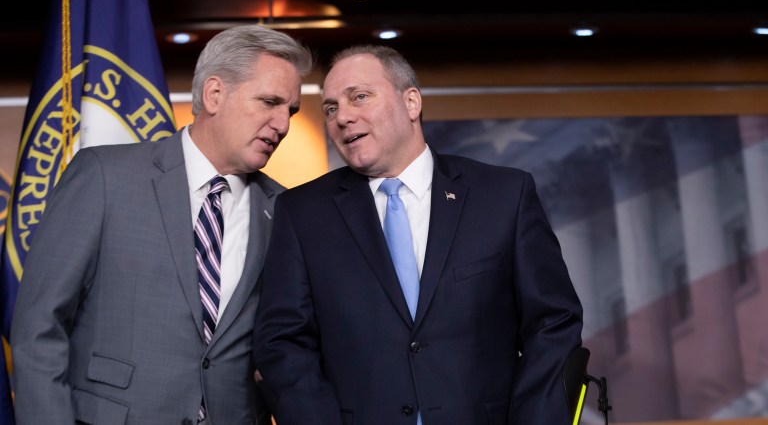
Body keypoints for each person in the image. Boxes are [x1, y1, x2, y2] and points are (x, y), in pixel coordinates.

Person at [252, 44, 584, 425]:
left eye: (359, 97)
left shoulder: (504, 196)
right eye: (330, 108)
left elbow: (553, 324)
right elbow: (282, 344)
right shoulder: (302, 213)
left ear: (411, 102)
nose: (343, 117)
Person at [10, 24, 313, 425]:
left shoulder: (287, 209)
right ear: (215, 94)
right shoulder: (104, 176)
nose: (283, 124)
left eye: (290, 110)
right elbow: (38, 328)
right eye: (269, 102)